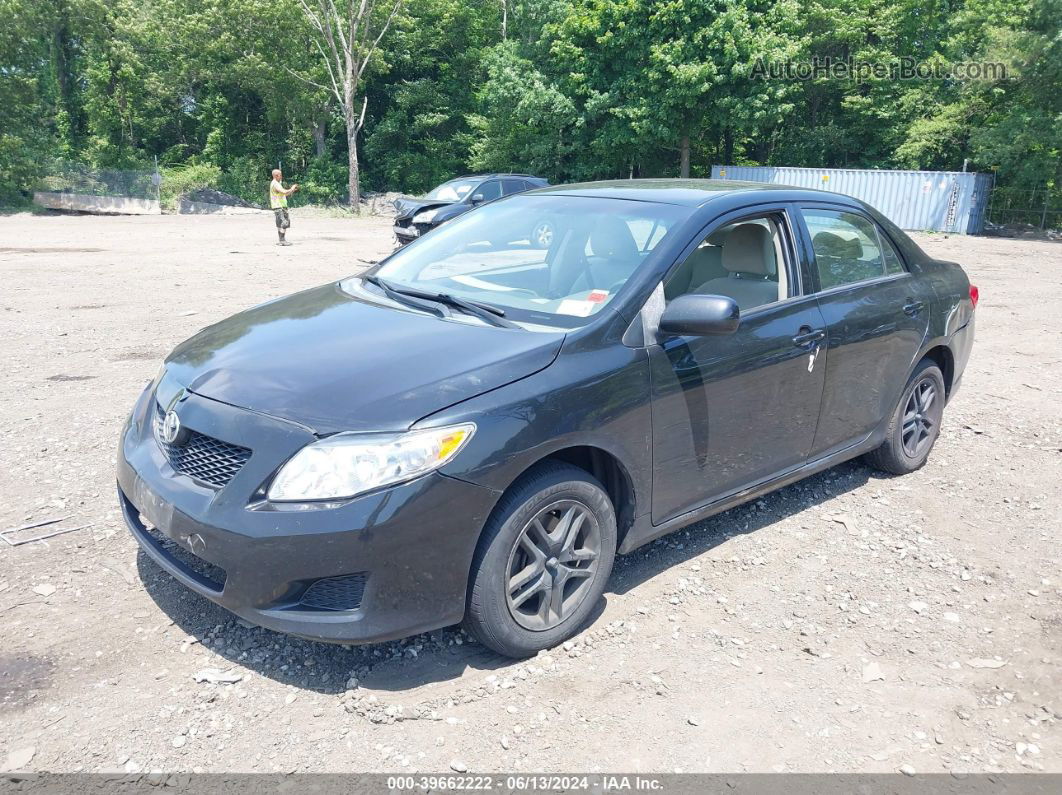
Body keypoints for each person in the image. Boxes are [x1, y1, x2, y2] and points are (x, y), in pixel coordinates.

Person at [269, 168, 299, 245]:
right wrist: (292, 188)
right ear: (276, 176)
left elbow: (285, 194)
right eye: (280, 175)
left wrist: (292, 190)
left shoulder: (276, 183)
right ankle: (282, 240)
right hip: (280, 206)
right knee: (284, 223)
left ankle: (281, 240)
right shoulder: (275, 184)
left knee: (280, 224)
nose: (281, 177)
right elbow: (284, 191)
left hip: (278, 206)